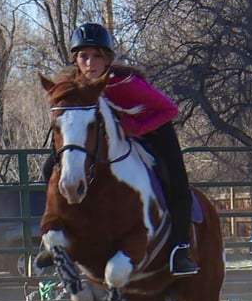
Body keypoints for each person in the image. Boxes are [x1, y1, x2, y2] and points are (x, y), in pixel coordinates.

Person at [38, 22, 199, 276]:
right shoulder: (74, 86)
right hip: (103, 137)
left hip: (151, 129)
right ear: (75, 59)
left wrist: (135, 127)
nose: (90, 63)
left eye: (97, 56)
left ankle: (180, 249)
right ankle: (54, 236)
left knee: (176, 181)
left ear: (108, 59)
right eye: (83, 57)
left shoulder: (126, 83)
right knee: (50, 168)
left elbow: (170, 110)